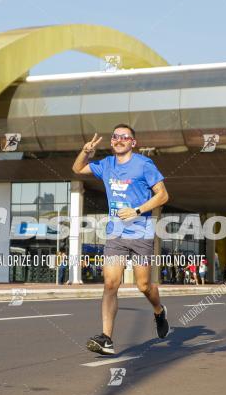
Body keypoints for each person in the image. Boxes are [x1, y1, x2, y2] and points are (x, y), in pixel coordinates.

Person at [73, 126, 170, 356]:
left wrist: (138, 210)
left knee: (143, 286)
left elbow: (163, 195)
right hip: (115, 234)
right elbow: (77, 168)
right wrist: (85, 152)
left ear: (133, 142)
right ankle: (106, 338)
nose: (119, 140)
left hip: (141, 232)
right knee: (110, 284)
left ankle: (159, 310)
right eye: (115, 136)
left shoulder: (144, 165)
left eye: (124, 137)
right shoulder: (106, 164)